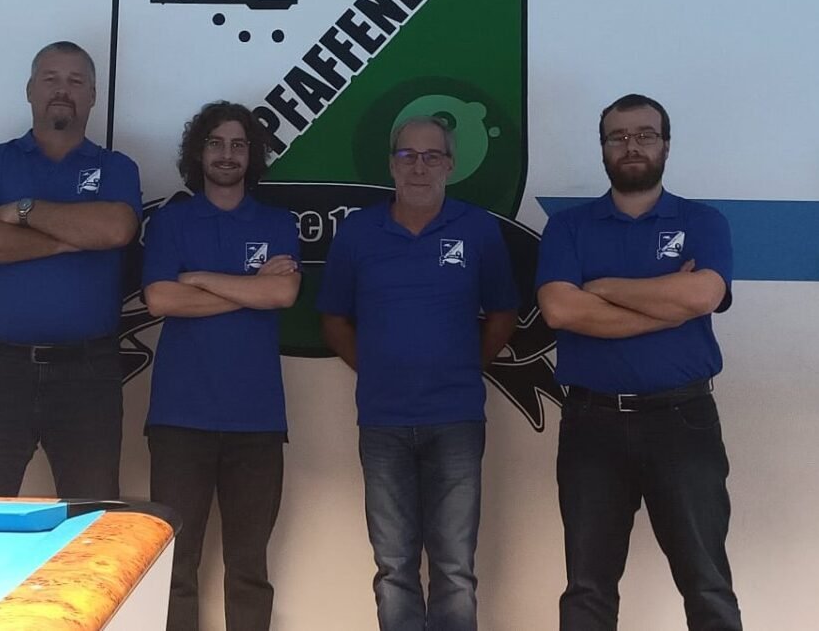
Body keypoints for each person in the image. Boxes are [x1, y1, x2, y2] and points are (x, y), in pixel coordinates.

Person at [536, 93, 742, 631]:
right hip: (591, 423)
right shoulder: (568, 227)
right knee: (588, 588)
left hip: (683, 421)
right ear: (603, 148)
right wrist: (669, 303)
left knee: (707, 583)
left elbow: (703, 295)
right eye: (619, 137)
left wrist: (601, 287)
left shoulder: (702, 221)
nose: (632, 146)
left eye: (645, 135)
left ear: (666, 145)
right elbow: (560, 309)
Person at [318, 115, 518, 631]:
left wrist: (463, 367)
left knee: (455, 569)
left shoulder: (478, 229)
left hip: (456, 419)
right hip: (383, 421)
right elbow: (334, 320)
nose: (419, 167)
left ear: (450, 164)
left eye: (432, 156)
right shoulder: (359, 232)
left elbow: (503, 314)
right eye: (407, 155)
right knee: (394, 568)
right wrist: (377, 369)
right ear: (391, 164)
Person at [0, 40, 141, 499]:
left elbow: (115, 228)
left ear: (93, 96)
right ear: (30, 90)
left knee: (91, 524)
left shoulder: (116, 167)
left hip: (88, 375)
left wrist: (23, 210)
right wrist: (68, 240)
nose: (62, 90)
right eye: (50, 79)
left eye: (76, 81)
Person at [142, 101, 301, 631]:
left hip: (256, 422)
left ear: (252, 155)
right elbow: (161, 299)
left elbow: (282, 294)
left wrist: (199, 279)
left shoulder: (276, 223)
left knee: (249, 570)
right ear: (199, 152)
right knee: (175, 566)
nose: (226, 154)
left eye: (238, 144)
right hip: (179, 420)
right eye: (215, 143)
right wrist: (250, 289)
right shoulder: (172, 221)